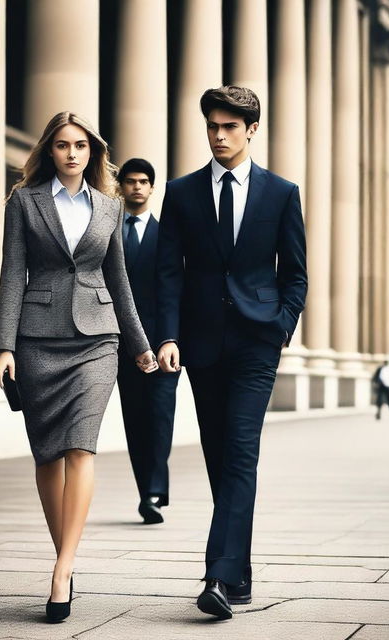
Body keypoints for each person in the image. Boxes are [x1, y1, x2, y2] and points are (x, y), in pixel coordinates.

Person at [0, 112, 158, 622]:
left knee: (81, 447)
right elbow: (11, 272)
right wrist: (3, 346)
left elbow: (119, 280)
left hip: (97, 340)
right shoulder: (24, 202)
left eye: (80, 145)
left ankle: (63, 569)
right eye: (62, 145)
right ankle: (64, 555)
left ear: (93, 152)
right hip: (37, 339)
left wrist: (139, 344)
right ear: (50, 150)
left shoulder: (110, 207)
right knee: (47, 455)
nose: (71, 153)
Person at [155, 86, 307, 619]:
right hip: (200, 343)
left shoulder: (281, 193)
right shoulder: (181, 192)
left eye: (229, 128)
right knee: (219, 456)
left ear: (251, 130)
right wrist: (168, 337)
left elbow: (295, 273)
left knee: (241, 450)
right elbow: (168, 273)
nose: (218, 136)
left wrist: (281, 327)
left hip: (256, 343)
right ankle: (238, 567)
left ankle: (217, 577)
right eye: (212, 127)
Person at [116, 158, 181, 525]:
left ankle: (154, 491)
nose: (137, 187)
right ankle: (146, 491)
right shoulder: (111, 233)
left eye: (143, 181)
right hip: (123, 346)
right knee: (136, 420)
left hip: (161, 346)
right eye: (130, 181)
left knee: (160, 418)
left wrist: (172, 339)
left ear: (152, 188)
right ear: (121, 187)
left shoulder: (167, 236)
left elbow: (176, 291)